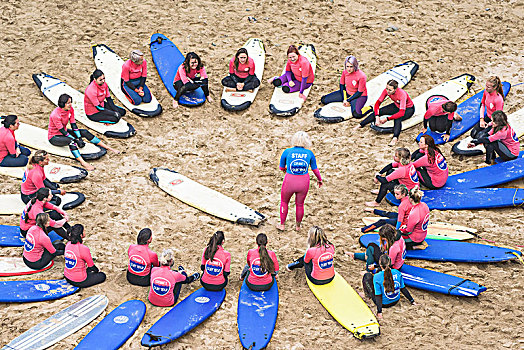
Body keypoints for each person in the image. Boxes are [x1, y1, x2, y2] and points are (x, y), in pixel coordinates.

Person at [49, 93, 119, 171]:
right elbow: (63, 131)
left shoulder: (70, 109)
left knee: (84, 132)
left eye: (71, 102)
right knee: (71, 141)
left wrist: (79, 137)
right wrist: (76, 140)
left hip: (64, 132)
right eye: (68, 103)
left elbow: (73, 125)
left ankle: (108, 147)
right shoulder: (55, 115)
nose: (70, 104)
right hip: (54, 137)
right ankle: (83, 163)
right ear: (63, 104)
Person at [278, 131, 322, 231]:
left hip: (290, 180)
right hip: (303, 181)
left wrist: (286, 170)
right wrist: (319, 179)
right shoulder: (309, 153)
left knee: (284, 202)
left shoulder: (287, 151)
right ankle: (298, 226)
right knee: (300, 204)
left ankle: (282, 225)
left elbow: (281, 167)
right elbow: (315, 169)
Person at [354, 79, 415, 145]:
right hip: (396, 106)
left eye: (390, 90)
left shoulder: (402, 94)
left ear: (395, 89)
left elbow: (401, 113)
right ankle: (361, 125)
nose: (387, 91)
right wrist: (377, 117)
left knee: (397, 118)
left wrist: (387, 119)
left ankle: (395, 138)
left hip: (408, 109)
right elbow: (377, 103)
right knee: (380, 111)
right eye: (387, 89)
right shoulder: (386, 91)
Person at [361, 254, 415, 320]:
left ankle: (366, 295)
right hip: (395, 300)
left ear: (380, 265)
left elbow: (378, 295)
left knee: (367, 276)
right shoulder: (397, 272)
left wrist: (379, 312)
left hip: (384, 304)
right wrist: (412, 300)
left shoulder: (377, 276)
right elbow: (403, 288)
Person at [64, 224, 106, 288]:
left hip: (67, 276)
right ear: (81, 235)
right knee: (102, 276)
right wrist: (97, 271)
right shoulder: (83, 248)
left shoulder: (68, 244)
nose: (85, 231)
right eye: (84, 231)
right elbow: (91, 266)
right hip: (79, 281)